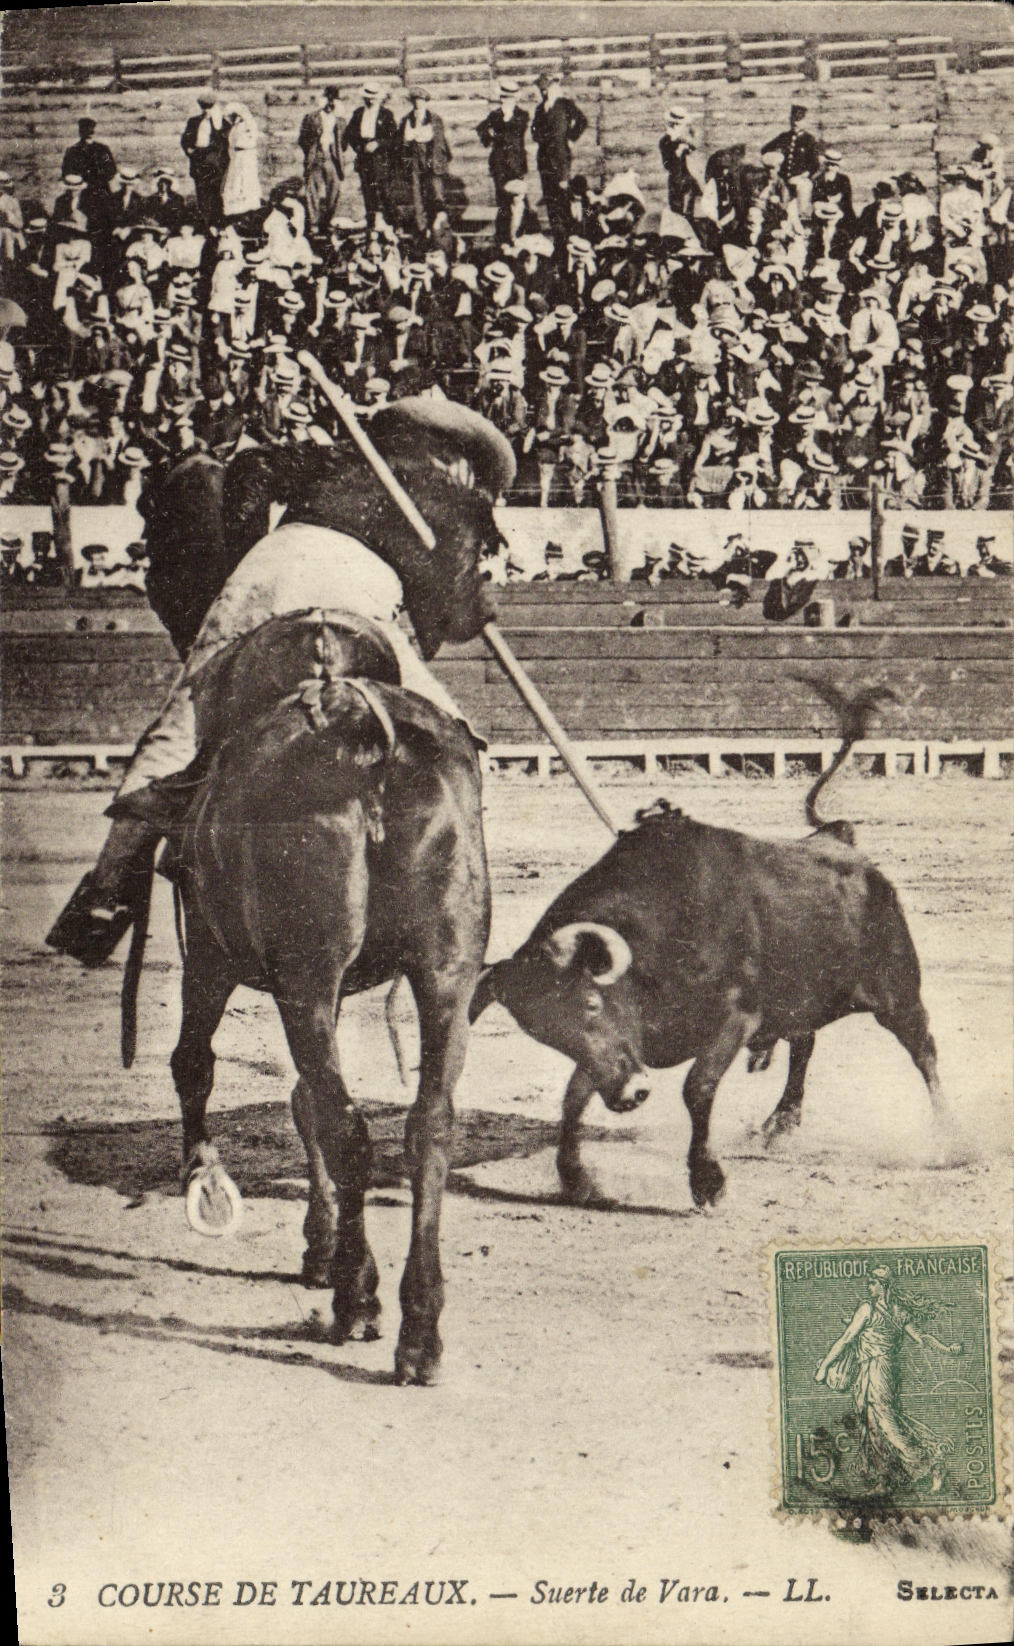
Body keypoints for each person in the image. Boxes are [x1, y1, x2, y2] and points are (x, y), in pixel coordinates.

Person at [815, 1266, 963, 1492]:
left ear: (883, 1285)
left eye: (872, 1283)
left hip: (877, 1370)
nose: (868, 1286)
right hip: (880, 1370)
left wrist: (824, 1366)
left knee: (885, 1422)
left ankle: (930, 1462)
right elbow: (921, 1338)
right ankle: (884, 1478)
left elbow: (846, 1339)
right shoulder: (897, 1311)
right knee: (872, 1422)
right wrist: (947, 1348)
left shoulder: (868, 1309)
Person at [530, 72, 587, 242]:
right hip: (544, 161)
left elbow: (582, 121)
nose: (543, 92)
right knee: (551, 202)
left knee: (563, 198)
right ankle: (558, 237)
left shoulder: (565, 104)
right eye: (541, 90)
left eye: (545, 89)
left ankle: (568, 237)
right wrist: (544, 138)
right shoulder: (540, 109)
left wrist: (570, 138)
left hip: (561, 160)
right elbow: (534, 132)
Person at [342, 83, 398, 230]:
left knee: (385, 191)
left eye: (374, 98)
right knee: (368, 191)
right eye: (368, 98)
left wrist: (378, 143)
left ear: (379, 98)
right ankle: (372, 224)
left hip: (381, 158)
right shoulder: (358, 113)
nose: (371, 100)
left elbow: (394, 138)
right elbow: (350, 134)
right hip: (364, 158)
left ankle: (393, 223)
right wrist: (360, 147)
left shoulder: (386, 115)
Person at [398, 88, 451, 239]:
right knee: (417, 194)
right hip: (414, 160)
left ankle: (438, 229)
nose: (418, 103)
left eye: (421, 101)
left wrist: (435, 163)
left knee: (436, 193)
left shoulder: (434, 119)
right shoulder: (406, 120)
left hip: (430, 159)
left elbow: (440, 143)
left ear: (425, 102)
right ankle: (421, 229)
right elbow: (403, 144)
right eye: (415, 101)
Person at [476, 80, 530, 218]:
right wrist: (488, 135)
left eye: (509, 97)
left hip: (516, 163)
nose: (506, 101)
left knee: (519, 199)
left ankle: (521, 233)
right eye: (504, 97)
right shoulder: (494, 115)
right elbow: (481, 129)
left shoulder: (521, 115)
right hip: (499, 164)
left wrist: (498, 131)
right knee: (502, 201)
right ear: (500, 98)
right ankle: (504, 235)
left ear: (515, 98)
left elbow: (514, 132)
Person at [298, 85, 345, 236]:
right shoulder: (312, 118)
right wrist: (312, 151)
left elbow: (344, 142)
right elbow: (303, 139)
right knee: (313, 190)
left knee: (334, 189)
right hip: (316, 156)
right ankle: (314, 223)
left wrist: (335, 150)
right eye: (329, 100)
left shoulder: (340, 121)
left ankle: (329, 220)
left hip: (332, 157)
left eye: (334, 101)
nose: (331, 104)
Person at [180, 92, 231, 229]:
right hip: (199, 164)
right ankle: (206, 225)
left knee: (216, 196)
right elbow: (185, 140)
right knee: (202, 196)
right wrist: (190, 151)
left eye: (209, 107)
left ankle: (217, 225)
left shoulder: (222, 124)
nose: (207, 111)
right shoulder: (194, 121)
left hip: (215, 167)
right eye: (204, 107)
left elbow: (224, 145)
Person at [761, 104, 821, 215]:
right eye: (793, 119)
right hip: (782, 177)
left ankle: (802, 217)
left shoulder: (809, 140)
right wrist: (776, 158)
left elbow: (815, 165)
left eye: (798, 120)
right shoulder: (784, 137)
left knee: (803, 188)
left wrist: (803, 175)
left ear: (804, 121)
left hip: (800, 178)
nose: (794, 123)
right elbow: (765, 150)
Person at [220, 102, 261, 222]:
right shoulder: (236, 125)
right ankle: (236, 213)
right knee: (234, 184)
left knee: (245, 183)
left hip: (245, 157)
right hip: (237, 157)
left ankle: (246, 213)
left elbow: (247, 141)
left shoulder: (248, 124)